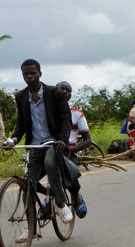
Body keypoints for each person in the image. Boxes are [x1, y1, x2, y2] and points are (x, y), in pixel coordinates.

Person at [6, 58, 73, 223]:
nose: (29, 76)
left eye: (32, 73)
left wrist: (63, 139)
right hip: (34, 144)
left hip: (52, 142)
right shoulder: (21, 96)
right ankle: (30, 229)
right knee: (28, 184)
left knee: (51, 163)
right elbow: (21, 122)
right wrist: (14, 139)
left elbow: (66, 118)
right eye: (25, 74)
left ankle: (60, 202)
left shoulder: (55, 93)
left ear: (39, 74)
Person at [56, 81, 89, 218]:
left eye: (67, 90)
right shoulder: (48, 112)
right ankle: (49, 198)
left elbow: (88, 140)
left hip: (69, 153)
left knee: (71, 177)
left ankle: (75, 197)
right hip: (51, 150)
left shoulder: (77, 115)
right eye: (61, 89)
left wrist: (71, 151)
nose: (64, 92)